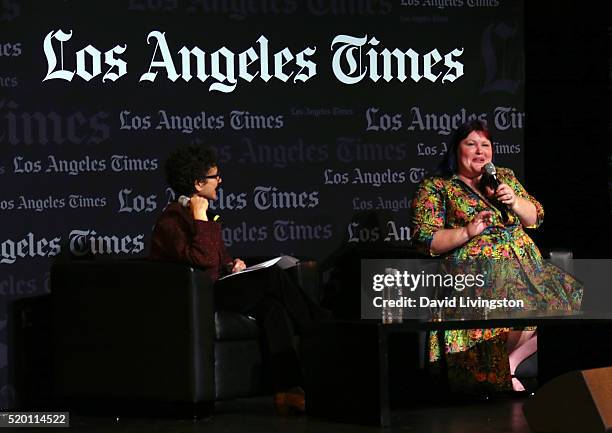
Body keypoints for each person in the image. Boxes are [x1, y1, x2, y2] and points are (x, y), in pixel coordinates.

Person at [410, 119, 583, 393]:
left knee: (569, 301)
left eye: (486, 145)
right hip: (475, 271)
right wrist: (468, 231)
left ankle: (510, 363)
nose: (480, 151)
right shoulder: (437, 185)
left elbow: (534, 216)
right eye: (471, 144)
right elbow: (426, 239)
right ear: (456, 149)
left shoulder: (504, 176)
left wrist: (513, 200)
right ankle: (500, 369)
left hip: (525, 266)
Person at [150, 144, 323, 414]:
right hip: (196, 300)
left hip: (215, 288)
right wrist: (199, 216)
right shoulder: (171, 220)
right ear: (197, 183)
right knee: (272, 278)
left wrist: (232, 265)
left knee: (272, 307)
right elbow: (203, 261)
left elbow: (215, 259)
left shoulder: (200, 214)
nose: (220, 181)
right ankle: (322, 327)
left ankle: (288, 389)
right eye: (214, 176)